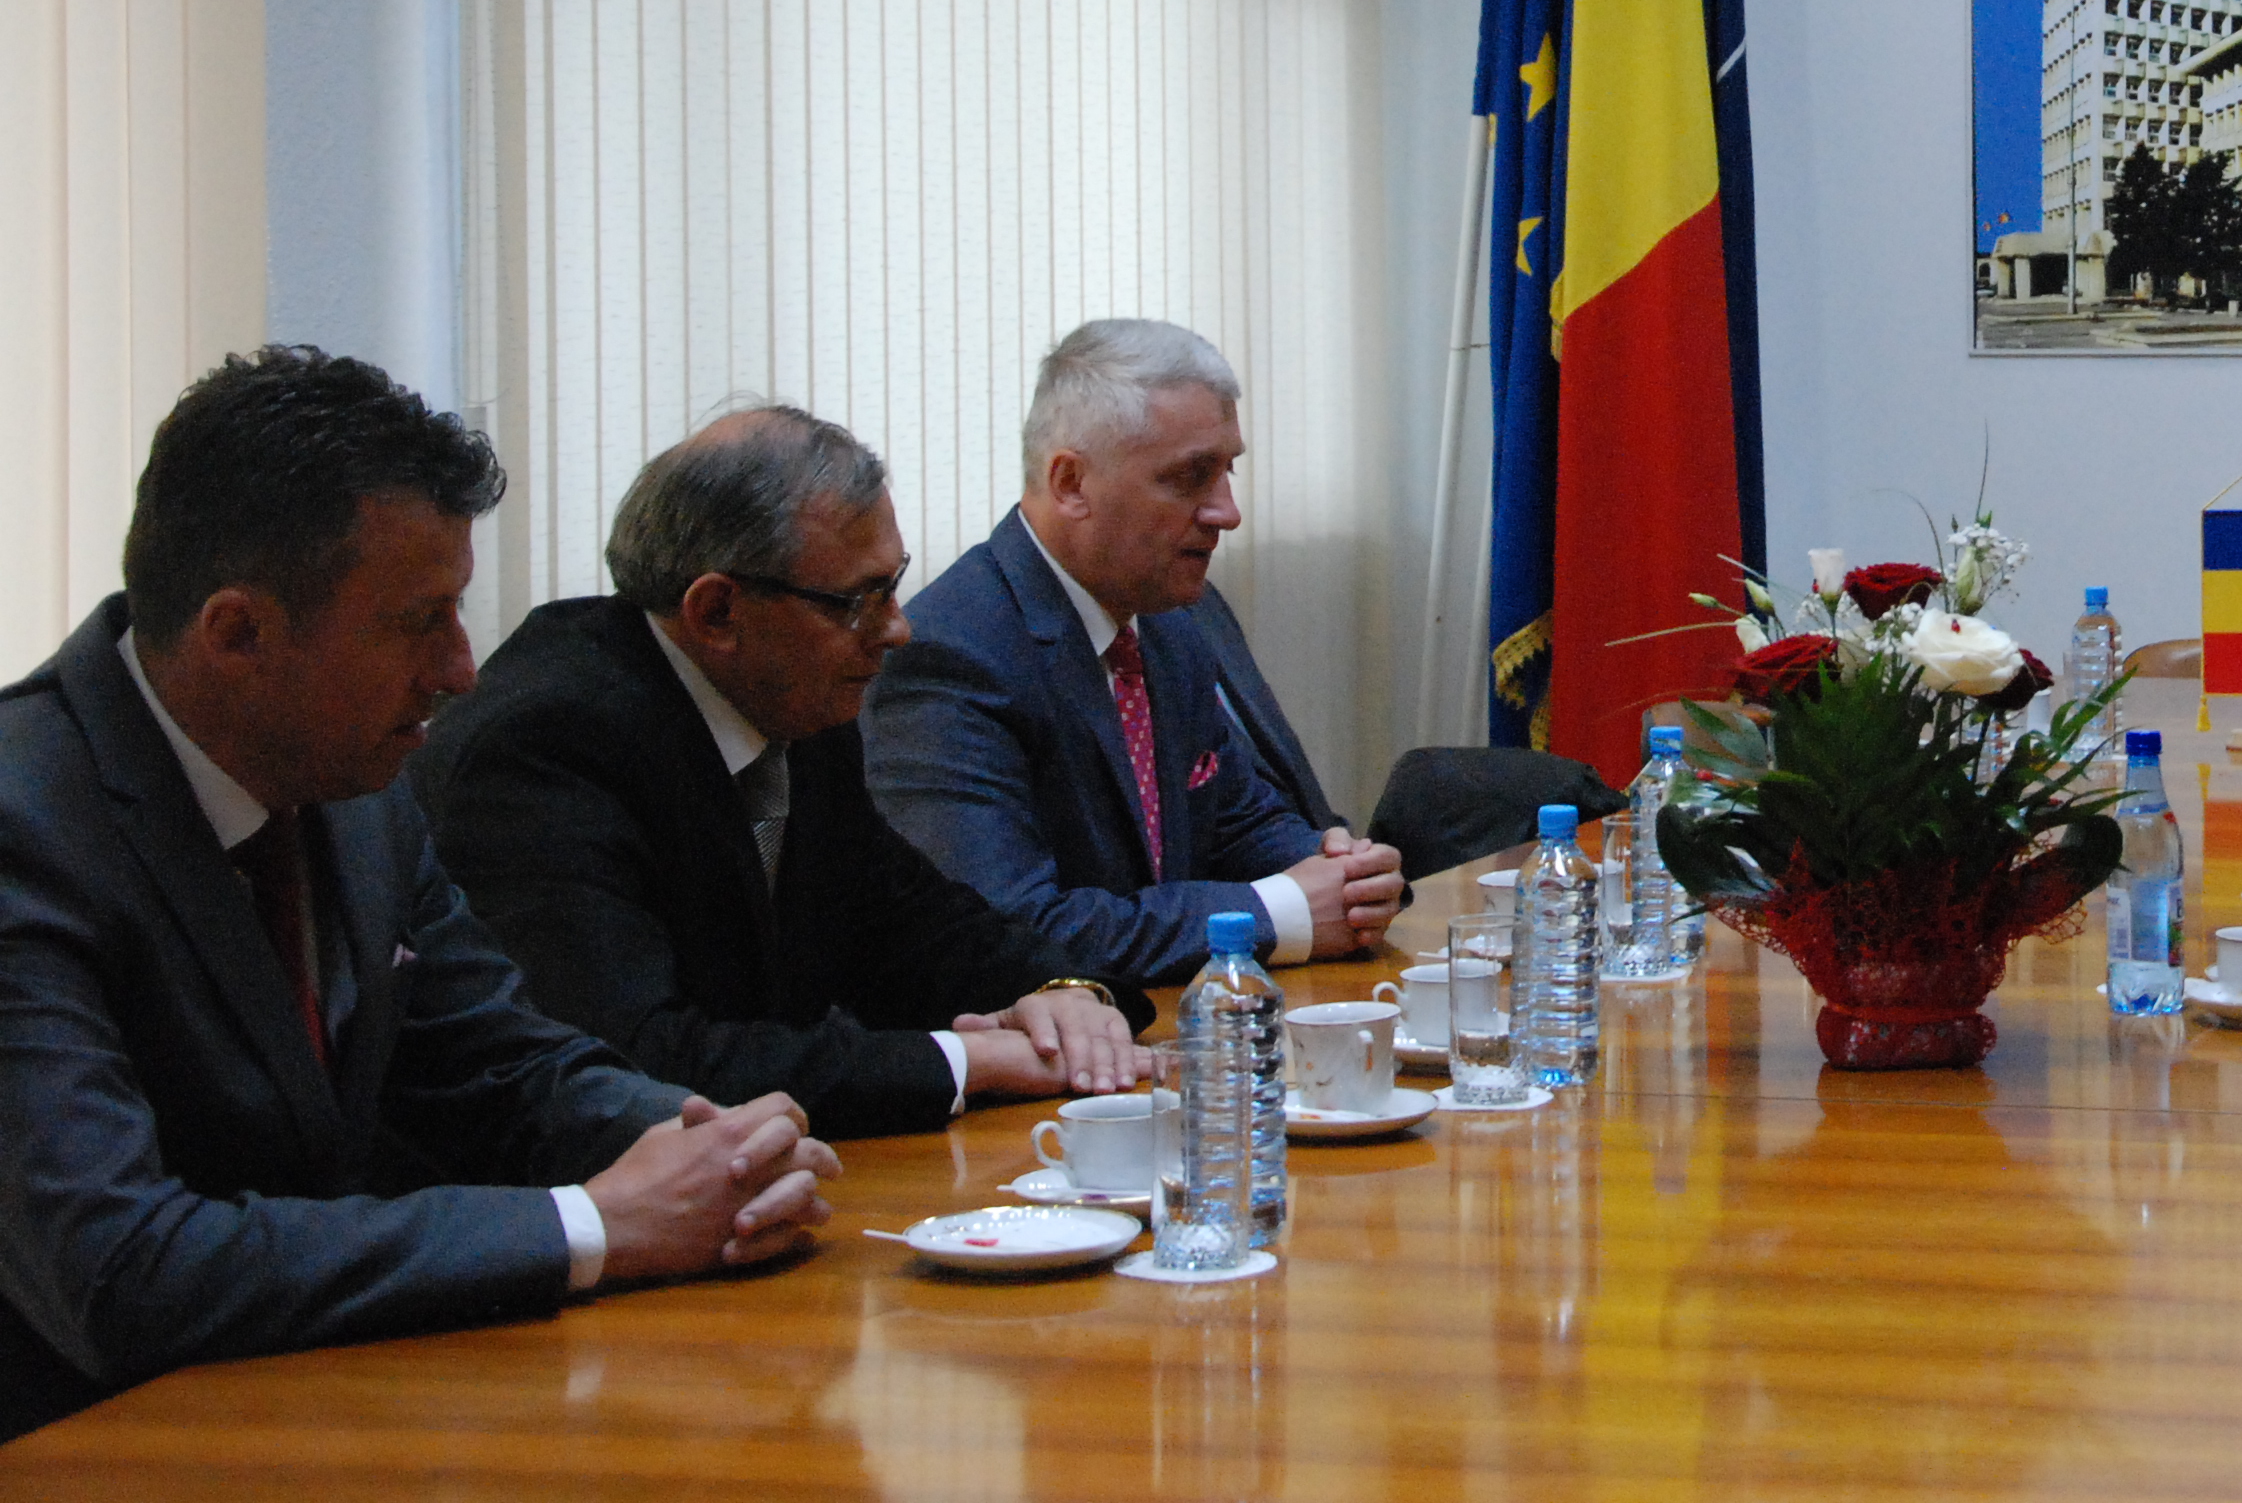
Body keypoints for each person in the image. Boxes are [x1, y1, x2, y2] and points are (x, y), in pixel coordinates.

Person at [0, 349, 839, 1442]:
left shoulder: (348, 785)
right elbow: (119, 1269)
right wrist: (590, 1226)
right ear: (237, 633)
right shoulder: (27, 830)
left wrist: (708, 1143)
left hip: (321, 1415)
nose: (460, 670)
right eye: (417, 620)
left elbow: (496, 1063)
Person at [415, 407, 1151, 1141]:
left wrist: (1064, 994)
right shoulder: (544, 746)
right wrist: (965, 1062)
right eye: (859, 601)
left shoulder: (793, 702)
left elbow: (911, 924)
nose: (898, 628)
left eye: (892, 585)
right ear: (717, 612)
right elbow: (633, 1059)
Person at [866, 320, 1403, 988]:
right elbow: (1011, 929)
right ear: (1071, 483)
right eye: (1190, 477)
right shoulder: (948, 654)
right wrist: (1279, 913)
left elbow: (1235, 820)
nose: (1228, 512)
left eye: (1228, 471)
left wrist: (1342, 872)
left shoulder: (1172, 616)